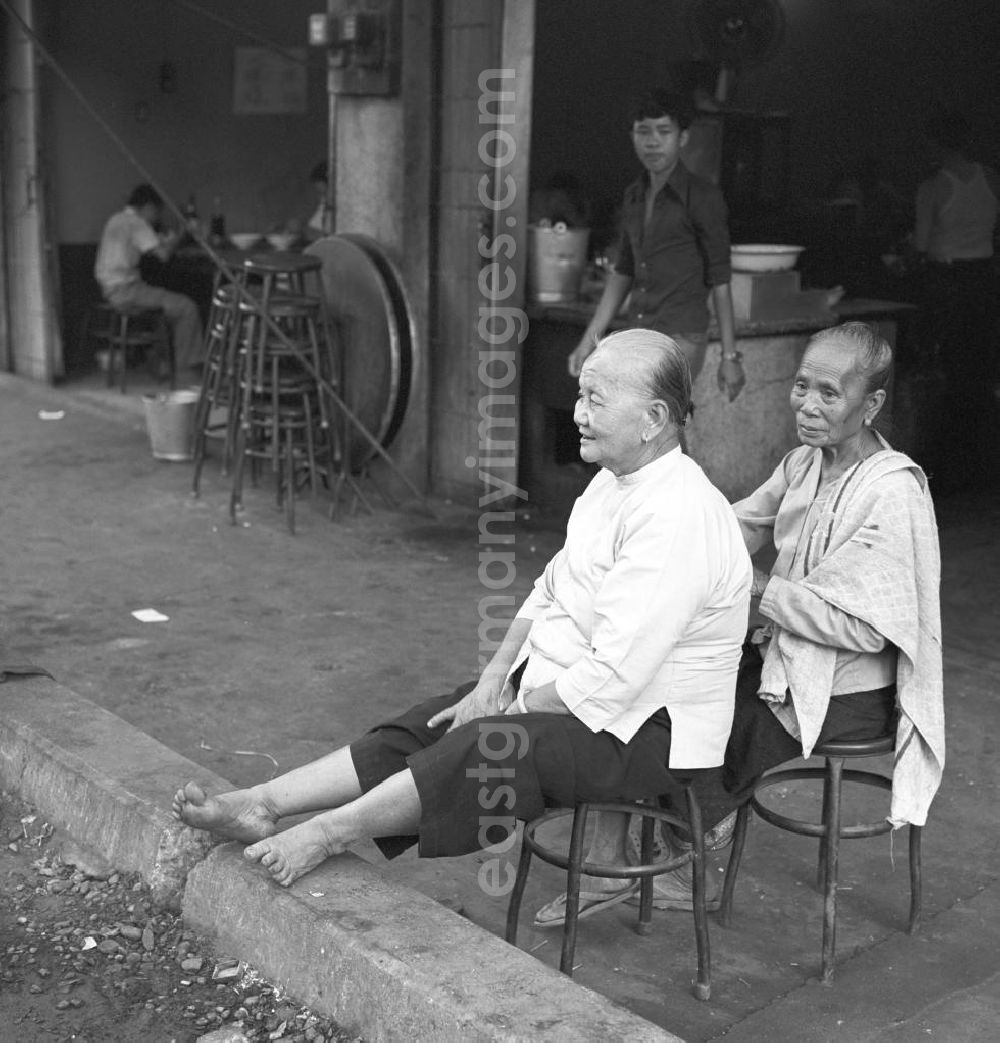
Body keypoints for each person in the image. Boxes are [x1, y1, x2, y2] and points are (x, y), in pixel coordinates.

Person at [172, 329, 752, 894]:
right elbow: (549, 588)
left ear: (653, 418)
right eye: (581, 396)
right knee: (434, 720)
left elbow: (613, 680)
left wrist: (509, 707)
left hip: (649, 731)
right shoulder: (613, 483)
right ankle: (263, 803)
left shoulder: (677, 514)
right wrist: (494, 680)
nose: (577, 413)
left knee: (483, 745)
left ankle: (326, 834)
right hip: (575, 694)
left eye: (595, 400)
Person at [540, 321, 945, 919]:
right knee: (658, 684)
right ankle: (623, 850)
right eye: (802, 385)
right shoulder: (804, 463)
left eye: (829, 394)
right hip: (789, 657)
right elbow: (730, 525)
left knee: (709, 725)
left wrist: (758, 587)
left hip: (851, 689)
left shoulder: (892, 492)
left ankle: (690, 854)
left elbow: (866, 631)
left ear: (872, 404)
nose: (807, 404)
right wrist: (660, 535)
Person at [567, 88, 744, 403]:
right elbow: (623, 272)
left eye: (664, 131)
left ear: (683, 138)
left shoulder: (702, 197)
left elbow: (721, 280)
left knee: (649, 424)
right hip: (640, 332)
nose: (652, 141)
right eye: (643, 131)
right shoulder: (634, 196)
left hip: (681, 337)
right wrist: (588, 340)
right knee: (652, 431)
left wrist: (729, 357)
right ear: (632, 136)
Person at [913, 111, 1000, 491]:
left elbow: (920, 243)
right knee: (977, 370)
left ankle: (943, 466)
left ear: (934, 145)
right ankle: (976, 461)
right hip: (983, 279)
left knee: (943, 369)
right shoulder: (992, 178)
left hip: (946, 281)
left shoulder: (932, 187)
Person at [94, 184, 204, 382]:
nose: (157, 218)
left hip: (110, 289)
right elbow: (163, 255)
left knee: (167, 305)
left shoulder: (115, 219)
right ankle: (186, 371)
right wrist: (182, 232)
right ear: (148, 207)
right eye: (157, 212)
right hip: (126, 290)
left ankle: (161, 359)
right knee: (186, 307)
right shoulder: (136, 222)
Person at [304, 161, 334, 241]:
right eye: (319, 193)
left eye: (324, 193)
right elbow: (311, 230)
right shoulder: (324, 205)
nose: (321, 198)